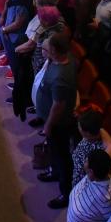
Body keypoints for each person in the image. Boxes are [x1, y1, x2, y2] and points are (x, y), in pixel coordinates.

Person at [35, 34, 79, 209]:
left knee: (62, 156)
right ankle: (54, 171)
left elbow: (58, 106)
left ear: (54, 50)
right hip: (55, 121)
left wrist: (48, 126)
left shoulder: (60, 77)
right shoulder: (66, 58)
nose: (44, 50)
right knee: (55, 152)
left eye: (47, 48)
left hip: (58, 123)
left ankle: (65, 193)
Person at [67, 149, 111, 222]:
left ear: (91, 172)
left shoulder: (107, 200)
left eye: (86, 161)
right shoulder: (100, 171)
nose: (84, 163)